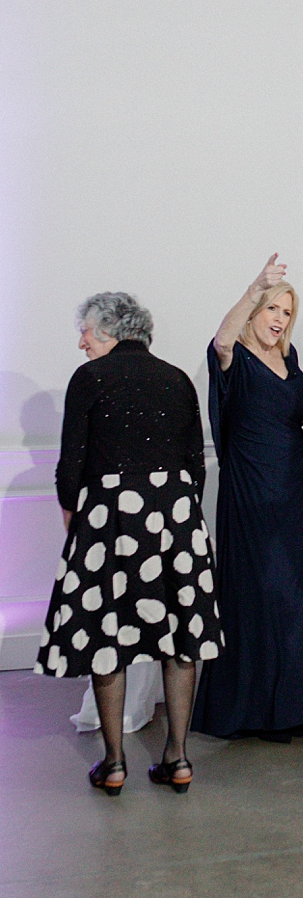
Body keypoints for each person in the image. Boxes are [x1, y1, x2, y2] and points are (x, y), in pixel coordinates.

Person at [36, 292, 223, 797]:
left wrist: (73, 511)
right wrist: (182, 512)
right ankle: (178, 758)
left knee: (106, 632)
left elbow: (70, 462)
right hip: (176, 514)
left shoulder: (90, 379)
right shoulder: (177, 378)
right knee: (181, 633)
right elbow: (196, 461)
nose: (81, 343)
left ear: (112, 331)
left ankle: (114, 763)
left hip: (111, 515)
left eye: (88, 334)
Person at [192, 255, 303, 742]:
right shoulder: (235, 357)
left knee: (298, 597)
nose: (278, 319)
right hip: (252, 494)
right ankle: (257, 710)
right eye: (272, 308)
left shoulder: (289, 360)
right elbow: (220, 341)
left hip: (295, 490)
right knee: (260, 596)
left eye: (287, 312)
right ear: (254, 311)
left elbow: (291, 420)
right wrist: (254, 287)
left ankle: (296, 705)